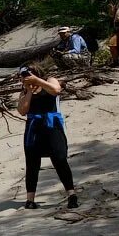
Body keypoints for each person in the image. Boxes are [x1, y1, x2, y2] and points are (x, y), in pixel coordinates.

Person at [17, 64, 78, 209]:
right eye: (23, 75)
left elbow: (56, 90)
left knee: (60, 158)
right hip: (33, 127)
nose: (25, 77)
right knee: (32, 163)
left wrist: (38, 81)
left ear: (36, 72)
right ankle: (30, 199)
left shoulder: (50, 80)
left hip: (51, 125)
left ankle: (72, 195)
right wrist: (29, 91)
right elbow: (22, 110)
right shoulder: (24, 91)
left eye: (27, 74)